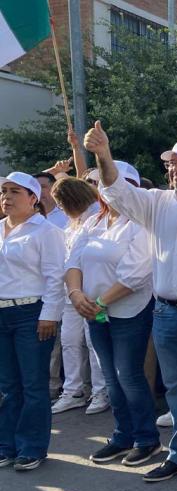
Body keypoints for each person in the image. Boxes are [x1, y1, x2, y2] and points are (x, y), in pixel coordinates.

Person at [87, 122, 177, 484]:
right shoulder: (154, 202)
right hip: (165, 311)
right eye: (171, 164)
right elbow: (115, 189)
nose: (174, 170)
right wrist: (103, 154)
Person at [63, 164, 161, 467]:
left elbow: (137, 273)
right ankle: (122, 436)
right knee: (110, 376)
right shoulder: (93, 221)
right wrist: (76, 295)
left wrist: (99, 302)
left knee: (128, 375)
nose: (102, 189)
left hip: (128, 311)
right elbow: (73, 262)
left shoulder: (141, 223)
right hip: (94, 311)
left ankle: (146, 439)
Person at [0, 171, 66, 471]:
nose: (7, 197)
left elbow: (55, 276)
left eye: (15, 191)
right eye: (4, 191)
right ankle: (7, 445)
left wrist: (49, 314)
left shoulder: (45, 231)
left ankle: (32, 447)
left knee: (33, 384)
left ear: (33, 199)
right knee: (8, 385)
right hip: (2, 313)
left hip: (32, 314)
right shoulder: (1, 228)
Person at [48, 178, 108, 416]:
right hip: (70, 293)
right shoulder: (71, 223)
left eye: (60, 203)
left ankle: (100, 389)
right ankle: (73, 390)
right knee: (70, 340)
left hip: (91, 292)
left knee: (93, 343)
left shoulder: (96, 217)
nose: (60, 208)